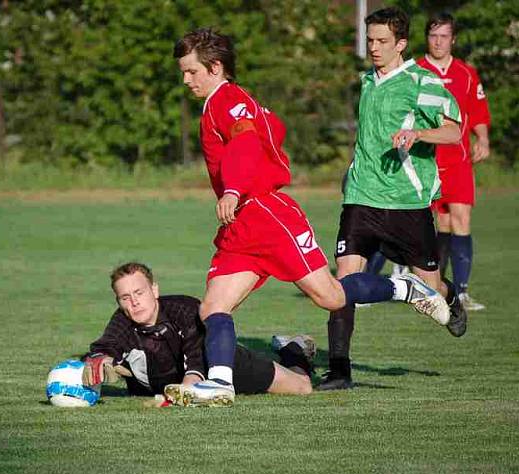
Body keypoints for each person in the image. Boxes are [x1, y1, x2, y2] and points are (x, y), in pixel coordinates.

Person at [172, 28, 450, 407]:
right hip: (240, 225)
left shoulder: (227, 100)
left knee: (332, 297)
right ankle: (220, 383)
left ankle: (407, 289)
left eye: (191, 72)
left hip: (266, 215)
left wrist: (235, 187)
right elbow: (272, 129)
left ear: (216, 67)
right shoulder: (230, 102)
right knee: (213, 307)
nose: (185, 80)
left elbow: (246, 141)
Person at [323, 7, 469, 391]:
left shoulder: (423, 82)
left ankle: (451, 297)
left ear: (401, 44)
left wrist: (418, 136)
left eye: (382, 41)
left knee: (431, 287)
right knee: (343, 283)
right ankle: (340, 370)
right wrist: (352, 170)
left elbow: (454, 132)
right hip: (361, 199)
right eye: (370, 40)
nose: (373, 47)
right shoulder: (368, 81)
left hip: (407, 205)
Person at [81, 262, 316, 404]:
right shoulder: (123, 318)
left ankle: (295, 350)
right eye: (125, 297)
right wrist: (101, 361)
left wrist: (187, 391)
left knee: (302, 387)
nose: (134, 302)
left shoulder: (185, 309)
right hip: (174, 384)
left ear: (154, 290)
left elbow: (196, 358)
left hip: (226, 367)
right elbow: (105, 346)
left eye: (139, 292)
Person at [418, 13, 491, 311]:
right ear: (427, 38)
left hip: (459, 161)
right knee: (439, 223)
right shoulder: (415, 72)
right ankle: (436, 287)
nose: (438, 41)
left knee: (461, 219)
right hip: (426, 161)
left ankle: (461, 292)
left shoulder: (466, 73)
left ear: (453, 39)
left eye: (444, 36)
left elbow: (479, 110)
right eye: (434, 36)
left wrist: (482, 139)